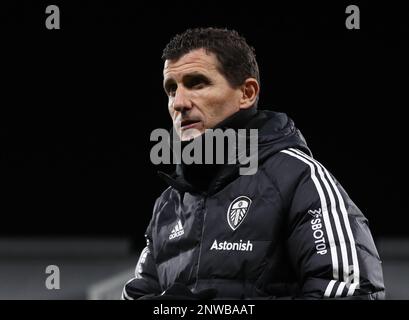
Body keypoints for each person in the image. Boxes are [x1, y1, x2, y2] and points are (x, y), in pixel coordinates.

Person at [122, 27, 385, 299]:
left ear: (247, 93)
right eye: (171, 89)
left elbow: (352, 292)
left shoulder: (301, 181)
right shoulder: (169, 204)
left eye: (197, 83)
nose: (179, 103)